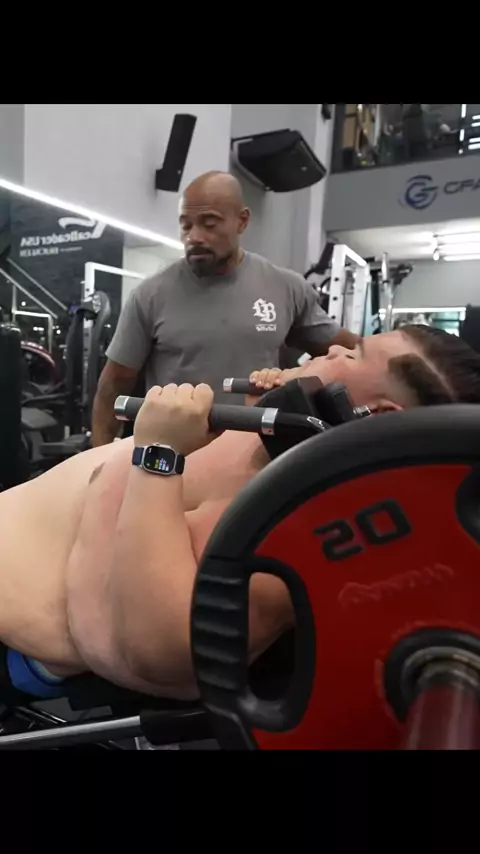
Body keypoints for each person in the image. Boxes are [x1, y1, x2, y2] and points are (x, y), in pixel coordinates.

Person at [2, 326, 480, 702]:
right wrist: (261, 411)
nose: (334, 349)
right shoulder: (286, 454)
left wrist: (156, 454)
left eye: (353, 356)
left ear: (377, 415)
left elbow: (165, 649)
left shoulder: (308, 519)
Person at [91, 171, 358, 446]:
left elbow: (347, 353)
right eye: (186, 225)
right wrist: (96, 460)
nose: (194, 237)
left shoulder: (286, 287)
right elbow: (113, 386)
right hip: (176, 453)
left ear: (242, 221)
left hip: (256, 452)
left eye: (209, 224)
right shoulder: (149, 295)